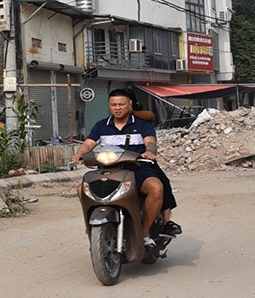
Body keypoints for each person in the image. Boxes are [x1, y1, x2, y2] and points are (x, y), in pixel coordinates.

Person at [71, 88, 180, 251]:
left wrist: (150, 151)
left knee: (156, 187)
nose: (117, 108)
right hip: (108, 170)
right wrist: (79, 153)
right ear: (109, 106)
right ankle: (93, 231)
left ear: (129, 105)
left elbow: (150, 141)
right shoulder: (101, 126)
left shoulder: (142, 124)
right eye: (113, 104)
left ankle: (145, 234)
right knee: (82, 190)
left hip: (137, 168)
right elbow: (89, 143)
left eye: (121, 104)